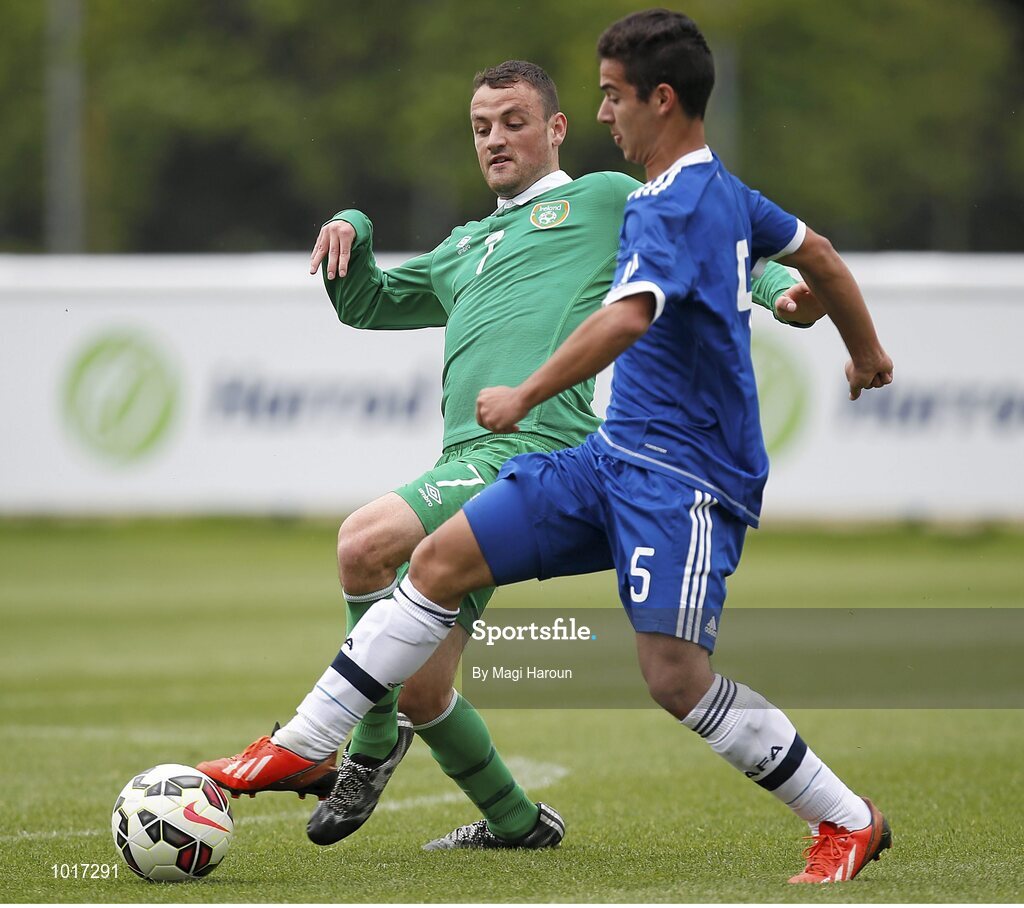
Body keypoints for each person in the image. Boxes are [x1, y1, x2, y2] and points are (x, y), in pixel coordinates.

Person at [199, 59, 821, 851]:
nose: (495, 139)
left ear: (556, 129)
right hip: (464, 461)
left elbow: (709, 241)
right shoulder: (462, 246)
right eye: (481, 128)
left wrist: (780, 291)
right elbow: (367, 304)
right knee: (423, 690)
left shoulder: (601, 198)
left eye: (513, 122)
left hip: (534, 449)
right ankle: (518, 824)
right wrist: (353, 223)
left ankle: (363, 748)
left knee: (363, 543)